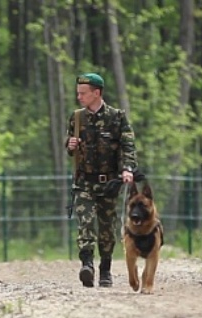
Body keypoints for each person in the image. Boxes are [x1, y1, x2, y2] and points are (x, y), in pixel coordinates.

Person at [66, 73, 137, 287]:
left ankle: (105, 270)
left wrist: (127, 169)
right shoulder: (77, 118)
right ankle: (86, 264)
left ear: (97, 93)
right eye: (78, 93)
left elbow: (128, 147)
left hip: (109, 183)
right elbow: (70, 147)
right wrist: (69, 145)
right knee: (85, 223)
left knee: (107, 228)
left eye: (83, 93)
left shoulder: (117, 117)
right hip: (84, 182)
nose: (79, 97)